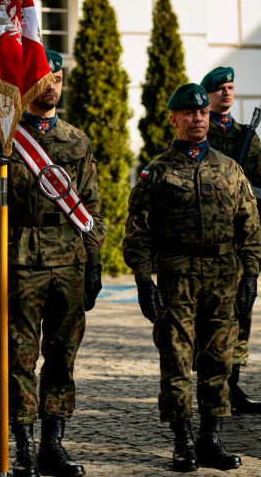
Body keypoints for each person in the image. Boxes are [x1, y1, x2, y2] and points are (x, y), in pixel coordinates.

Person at [0, 50, 106, 477]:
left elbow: (92, 208)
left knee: (62, 357)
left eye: (59, 79)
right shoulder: (4, 136)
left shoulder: (77, 141)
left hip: (69, 260)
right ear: (29, 84)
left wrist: (95, 262)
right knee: (18, 358)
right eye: (46, 78)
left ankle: (53, 445)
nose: (53, 86)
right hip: (21, 261)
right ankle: (24, 448)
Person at [123, 83, 261, 473]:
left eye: (202, 113)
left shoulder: (229, 168)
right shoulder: (157, 172)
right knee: (177, 361)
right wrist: (142, 280)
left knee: (219, 360)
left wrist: (251, 274)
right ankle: (183, 442)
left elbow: (249, 226)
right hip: (176, 278)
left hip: (222, 277)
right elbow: (138, 232)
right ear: (175, 119)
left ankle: (210, 440)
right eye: (190, 114)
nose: (198, 119)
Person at [200, 66, 261, 413]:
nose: (226, 93)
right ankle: (210, 388)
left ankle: (233, 387)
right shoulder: (198, 134)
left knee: (242, 314)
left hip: (239, 245)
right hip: (205, 243)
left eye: (231, 87)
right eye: (220, 88)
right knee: (205, 319)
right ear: (208, 94)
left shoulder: (247, 138)